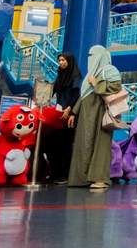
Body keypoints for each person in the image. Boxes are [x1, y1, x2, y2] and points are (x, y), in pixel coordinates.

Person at [67, 45, 125, 190]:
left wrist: (96, 83)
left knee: (101, 145)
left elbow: (116, 86)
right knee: (84, 144)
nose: (90, 58)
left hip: (100, 114)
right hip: (87, 115)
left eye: (92, 55)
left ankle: (100, 179)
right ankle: (82, 178)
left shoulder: (109, 70)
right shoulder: (90, 74)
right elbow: (84, 96)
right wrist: (74, 113)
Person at [43, 51, 82, 183]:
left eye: (64, 60)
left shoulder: (76, 76)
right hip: (59, 114)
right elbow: (52, 90)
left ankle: (64, 175)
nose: (61, 63)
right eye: (59, 60)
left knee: (66, 145)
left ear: (69, 61)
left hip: (70, 114)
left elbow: (77, 95)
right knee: (56, 143)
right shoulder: (60, 76)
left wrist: (70, 109)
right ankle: (55, 173)